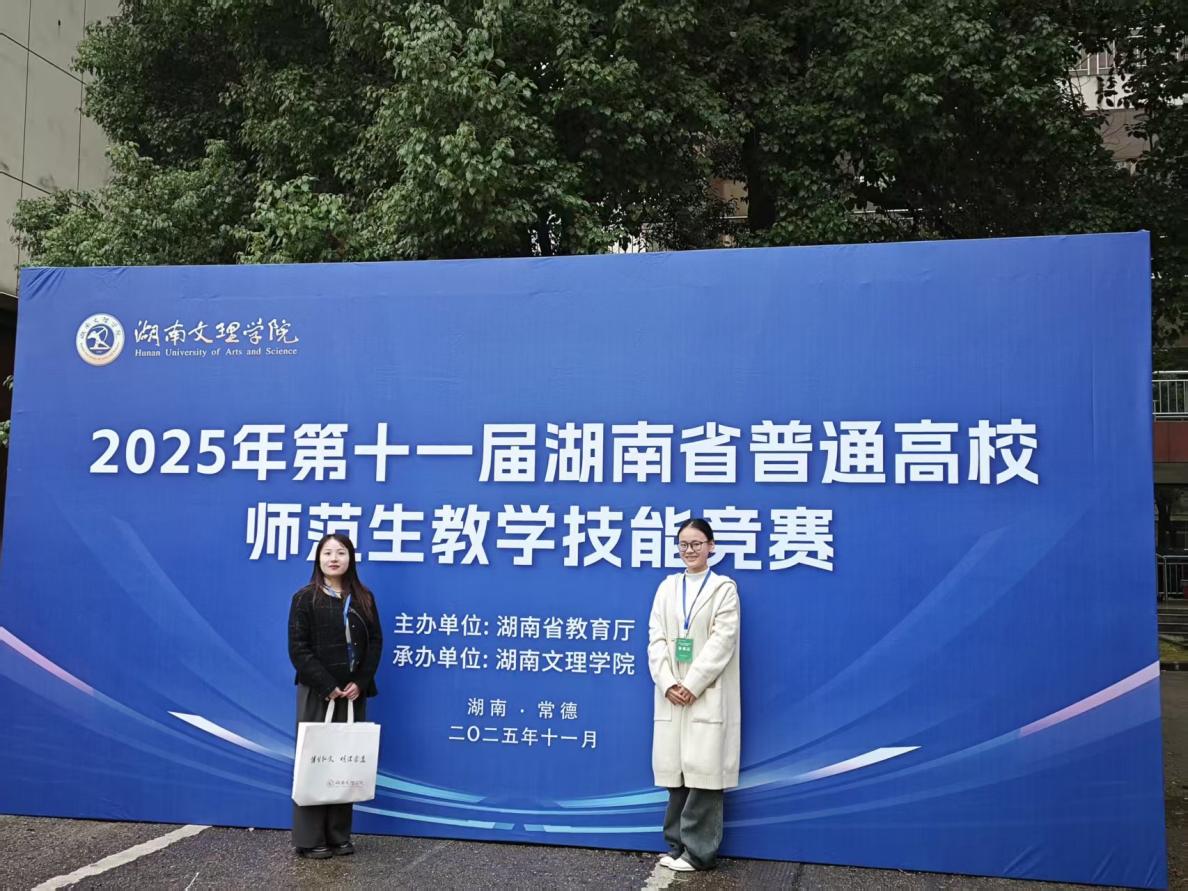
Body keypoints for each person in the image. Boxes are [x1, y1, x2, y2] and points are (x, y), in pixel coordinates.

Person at [647, 518, 741, 872]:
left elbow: (722, 641)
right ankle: (676, 845)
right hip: (672, 693)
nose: (690, 550)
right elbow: (656, 637)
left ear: (711, 546)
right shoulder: (667, 587)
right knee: (675, 772)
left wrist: (692, 683)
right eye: (684, 544)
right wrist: (668, 682)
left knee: (704, 774)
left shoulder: (723, 589)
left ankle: (699, 853)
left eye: (697, 543)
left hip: (705, 692)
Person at [288, 532, 383, 859]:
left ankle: (339, 835)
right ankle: (310, 838)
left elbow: (375, 643)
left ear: (350, 559)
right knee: (316, 761)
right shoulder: (305, 598)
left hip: (353, 694)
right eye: (327, 552)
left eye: (340, 552)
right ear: (318, 558)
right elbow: (298, 649)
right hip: (319, 692)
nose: (333, 558)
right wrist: (327, 684)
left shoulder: (364, 598)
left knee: (345, 761)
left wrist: (361, 681)